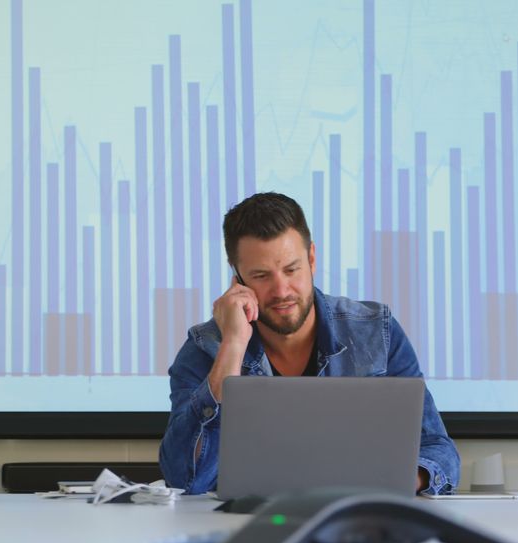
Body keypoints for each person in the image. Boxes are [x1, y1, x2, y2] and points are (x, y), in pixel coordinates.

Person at [159, 192, 460, 495]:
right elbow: (184, 478)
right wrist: (234, 345)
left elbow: (440, 452)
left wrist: (397, 482)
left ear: (312, 258)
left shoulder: (376, 332)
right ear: (237, 278)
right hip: (245, 524)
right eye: (261, 276)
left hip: (354, 519)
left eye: (291, 270)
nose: (281, 290)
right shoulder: (205, 347)